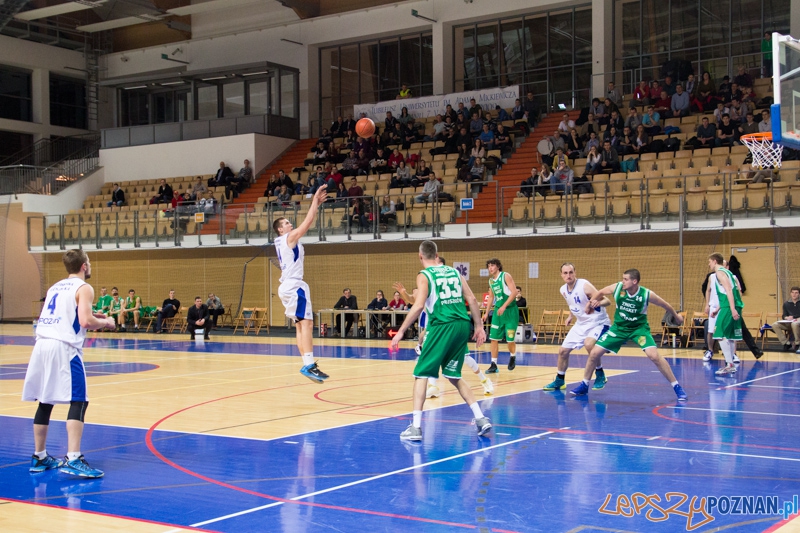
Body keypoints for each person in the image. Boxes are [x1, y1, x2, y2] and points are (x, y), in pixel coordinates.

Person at [23, 249, 115, 478]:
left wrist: (94, 316)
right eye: (89, 261)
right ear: (84, 266)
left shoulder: (55, 287)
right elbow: (85, 321)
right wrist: (107, 323)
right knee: (79, 400)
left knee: (45, 400)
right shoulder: (84, 287)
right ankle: (73, 458)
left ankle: (39, 456)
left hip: (42, 345)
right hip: (63, 348)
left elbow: (68, 315)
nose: (90, 265)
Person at [390, 241, 491, 441]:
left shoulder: (424, 275)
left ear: (420, 256)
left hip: (442, 326)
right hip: (462, 325)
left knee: (421, 374)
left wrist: (401, 331)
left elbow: (418, 305)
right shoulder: (454, 272)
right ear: (436, 255)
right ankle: (480, 418)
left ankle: (416, 427)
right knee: (454, 375)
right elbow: (471, 299)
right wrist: (479, 326)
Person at [570, 269, 688, 401]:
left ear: (634, 281)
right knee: (594, 353)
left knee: (654, 356)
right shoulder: (618, 288)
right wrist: (590, 303)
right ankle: (584, 385)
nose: (623, 281)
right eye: (623, 279)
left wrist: (676, 317)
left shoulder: (646, 294)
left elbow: (665, 305)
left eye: (625, 279)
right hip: (619, 329)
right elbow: (601, 292)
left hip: (639, 330)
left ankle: (677, 386)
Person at [395, 256, 494, 399]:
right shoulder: (425, 281)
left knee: (466, 359)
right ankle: (433, 387)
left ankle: (484, 380)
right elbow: (413, 300)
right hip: (434, 327)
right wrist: (403, 292)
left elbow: (470, 298)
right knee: (430, 357)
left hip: (450, 327)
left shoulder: (451, 283)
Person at [273, 186, 330, 382]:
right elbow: (308, 222)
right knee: (307, 324)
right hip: (294, 286)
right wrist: (315, 202)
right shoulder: (288, 238)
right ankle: (309, 365)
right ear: (281, 229)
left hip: (286, 286)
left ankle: (307, 364)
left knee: (300, 325)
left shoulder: (282, 242)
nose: (290, 224)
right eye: (286, 223)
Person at [543, 263, 611, 391]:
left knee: (589, 344)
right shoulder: (563, 290)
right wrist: (570, 316)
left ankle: (600, 374)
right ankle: (559, 380)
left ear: (575, 273)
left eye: (570, 272)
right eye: (565, 273)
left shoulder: (584, 285)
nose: (568, 275)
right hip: (581, 323)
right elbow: (573, 303)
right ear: (561, 275)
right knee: (563, 351)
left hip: (597, 322)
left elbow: (607, 301)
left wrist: (597, 303)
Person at [708, 254, 743, 375]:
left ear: (714, 261)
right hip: (730, 305)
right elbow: (731, 291)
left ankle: (730, 364)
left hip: (729, 307)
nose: (709, 264)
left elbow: (729, 290)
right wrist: (718, 309)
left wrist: (732, 309)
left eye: (709, 262)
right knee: (729, 336)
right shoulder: (728, 273)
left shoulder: (720, 273)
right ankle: (730, 363)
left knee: (719, 333)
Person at [483, 258, 519, 374]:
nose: (490, 268)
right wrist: (486, 312)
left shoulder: (505, 276)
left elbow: (514, 292)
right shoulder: (491, 281)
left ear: (498, 266)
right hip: (498, 313)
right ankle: (493, 364)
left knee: (510, 339)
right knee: (493, 339)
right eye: (488, 266)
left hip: (510, 312)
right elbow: (491, 297)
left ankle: (512, 356)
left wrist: (504, 306)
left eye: (492, 265)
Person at [771, 286, 800, 352]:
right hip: (789, 322)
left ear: (799, 294)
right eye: (793, 292)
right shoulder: (786, 304)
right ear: (790, 293)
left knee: (794, 324)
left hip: (798, 321)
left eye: (796, 293)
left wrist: (795, 318)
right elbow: (784, 315)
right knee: (775, 325)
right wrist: (787, 317)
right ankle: (786, 343)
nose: (794, 294)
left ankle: (797, 343)